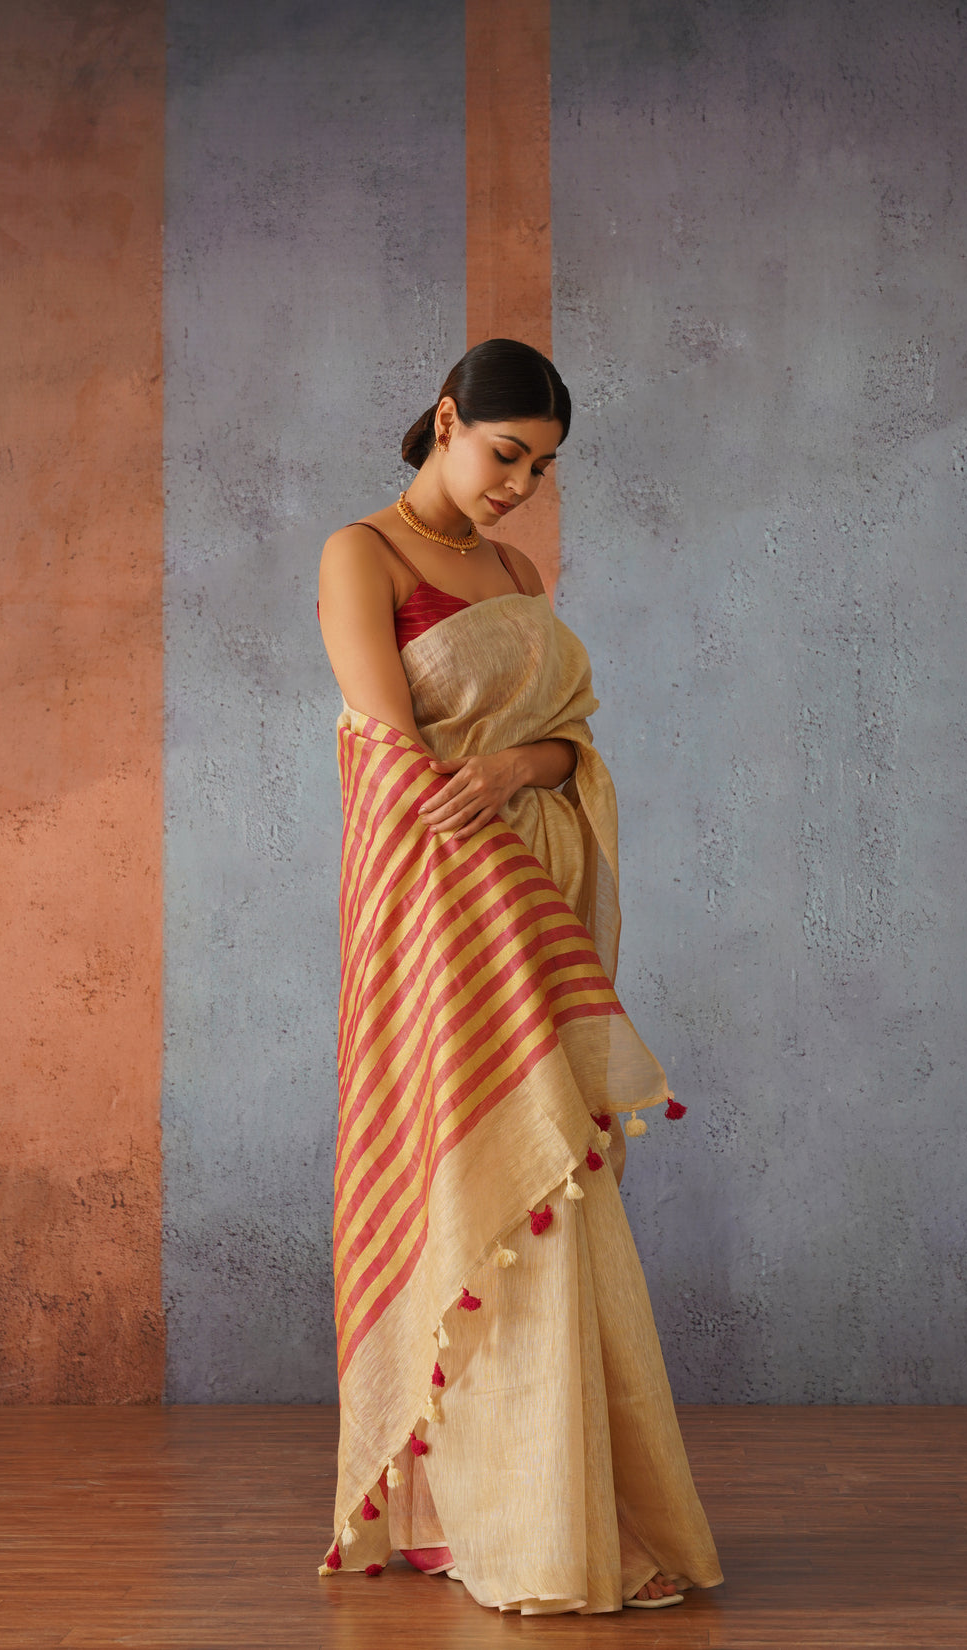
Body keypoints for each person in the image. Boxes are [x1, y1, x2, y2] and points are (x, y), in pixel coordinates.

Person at [316, 338, 723, 1614]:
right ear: (445, 420)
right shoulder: (360, 556)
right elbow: (392, 750)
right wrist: (480, 789)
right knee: (475, 1174)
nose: (517, 488)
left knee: (552, 1184)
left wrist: (514, 771)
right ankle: (474, 1518)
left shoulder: (513, 571)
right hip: (438, 913)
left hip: (524, 878)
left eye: (540, 469)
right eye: (505, 456)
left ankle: (562, 1513)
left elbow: (564, 747)